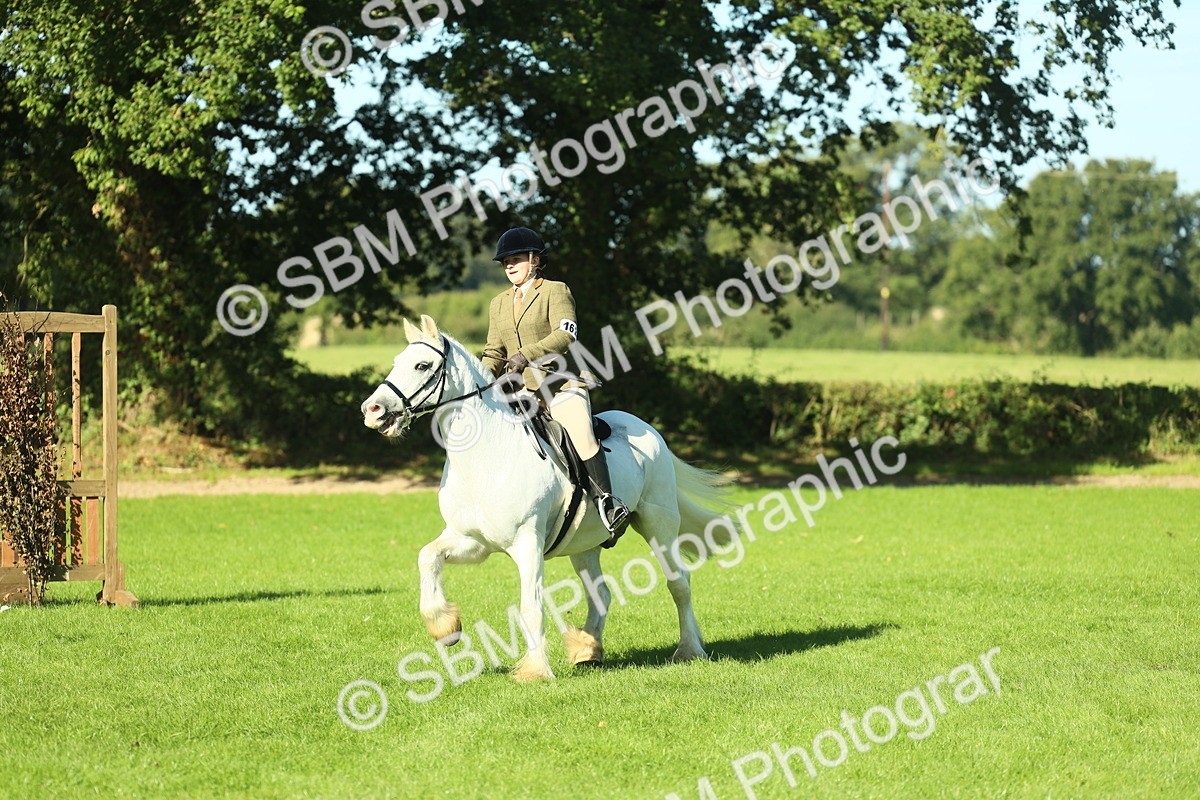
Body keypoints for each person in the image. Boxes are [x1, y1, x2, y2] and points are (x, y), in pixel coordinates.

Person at [481, 226, 630, 544]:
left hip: (561, 383)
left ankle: (608, 505)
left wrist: (526, 355)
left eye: (516, 258)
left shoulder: (555, 290)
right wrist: (480, 382)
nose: (509, 265)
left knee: (580, 433)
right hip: (523, 391)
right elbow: (494, 351)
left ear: (535, 260)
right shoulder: (498, 303)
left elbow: (566, 334)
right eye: (505, 261)